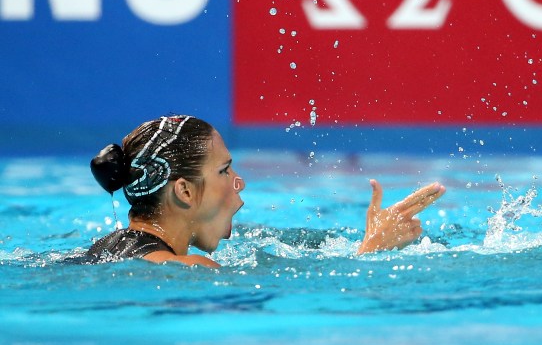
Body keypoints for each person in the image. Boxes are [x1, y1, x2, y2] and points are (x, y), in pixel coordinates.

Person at [84, 115, 445, 266]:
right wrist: (371, 250)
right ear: (185, 192)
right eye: (224, 171)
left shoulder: (106, 249)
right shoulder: (186, 269)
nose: (239, 182)